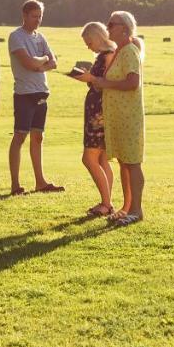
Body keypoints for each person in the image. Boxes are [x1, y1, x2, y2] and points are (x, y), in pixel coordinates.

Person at [88, 11, 145, 226]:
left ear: (124, 28)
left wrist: (105, 84)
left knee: (132, 163)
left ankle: (137, 210)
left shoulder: (129, 51)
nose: (108, 28)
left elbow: (132, 83)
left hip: (129, 117)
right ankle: (127, 207)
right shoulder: (120, 51)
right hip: (119, 117)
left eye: (112, 24)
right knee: (124, 163)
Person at [7, 0, 63, 195]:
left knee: (38, 137)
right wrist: (41, 61)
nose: (38, 20)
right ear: (24, 16)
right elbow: (29, 64)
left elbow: (53, 62)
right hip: (24, 94)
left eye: (40, 16)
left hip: (41, 91)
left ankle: (40, 182)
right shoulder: (16, 37)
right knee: (20, 136)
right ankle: (15, 184)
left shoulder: (41, 37)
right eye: (34, 16)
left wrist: (40, 63)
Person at [73, 21, 115, 217]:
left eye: (89, 41)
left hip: (99, 113)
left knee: (88, 158)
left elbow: (106, 82)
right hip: (98, 110)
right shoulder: (105, 55)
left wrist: (89, 78)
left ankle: (106, 203)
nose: (87, 46)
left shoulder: (107, 56)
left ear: (97, 37)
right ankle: (107, 201)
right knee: (101, 159)